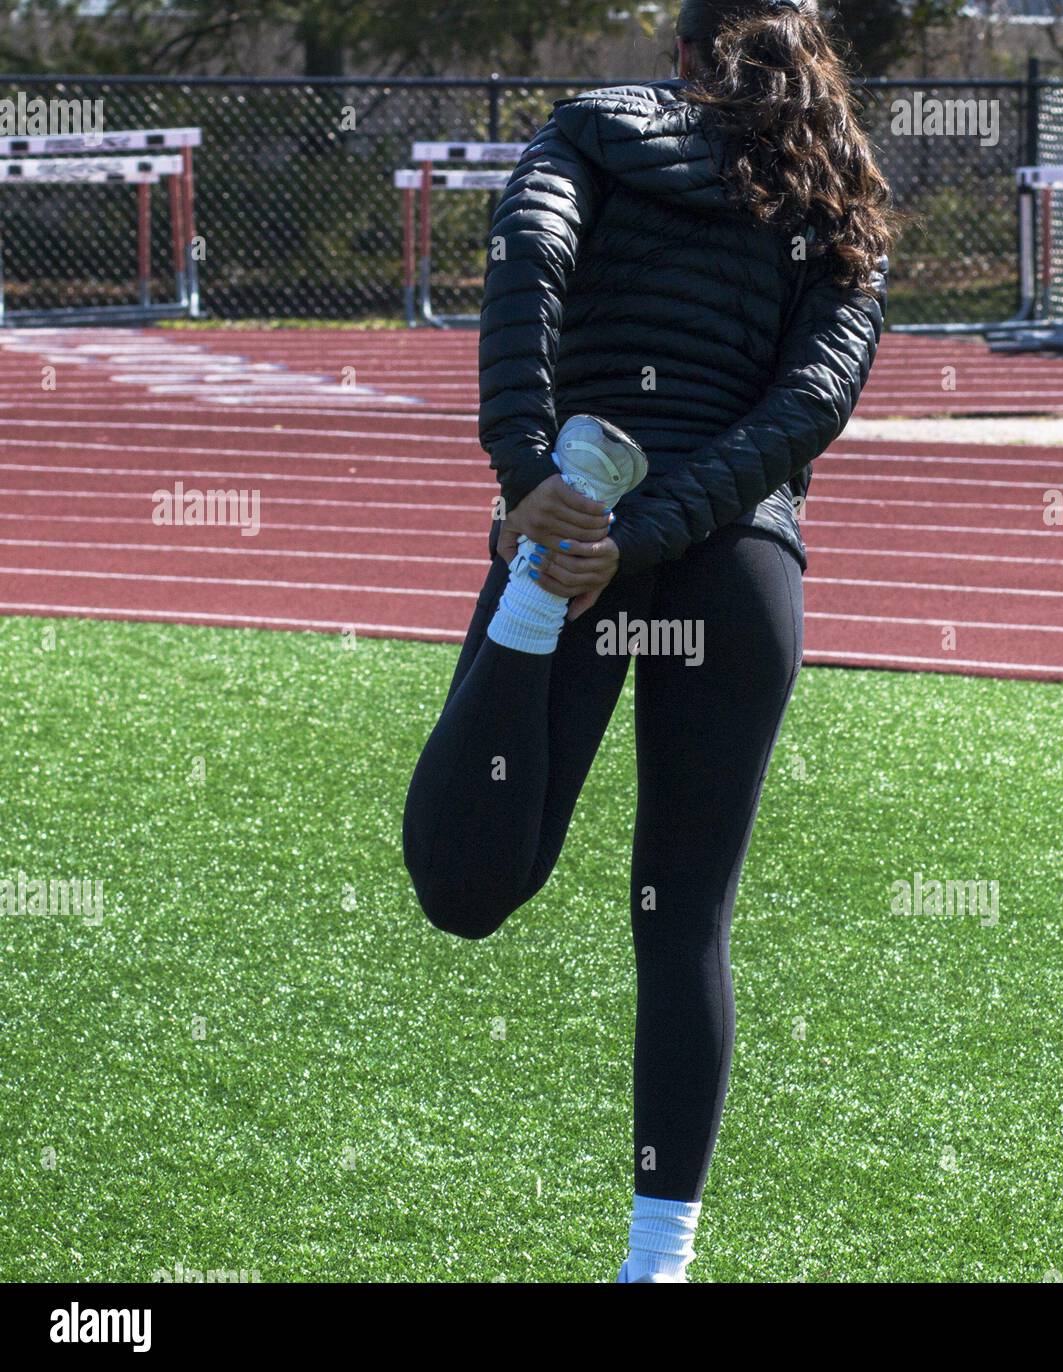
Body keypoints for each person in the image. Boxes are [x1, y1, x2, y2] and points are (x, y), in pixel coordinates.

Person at [403, 0, 891, 1282]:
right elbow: (808, 406)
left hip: (571, 520)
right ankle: (655, 1263)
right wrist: (667, 528)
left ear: (681, 54)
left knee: (465, 886)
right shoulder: (842, 199)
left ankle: (525, 599)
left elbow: (525, 265)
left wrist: (532, 477)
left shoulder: (591, 130)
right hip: (731, 566)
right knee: (683, 924)